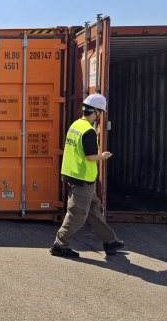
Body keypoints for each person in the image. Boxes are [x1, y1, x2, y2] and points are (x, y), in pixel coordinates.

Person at [50, 94, 124, 258]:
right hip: (82, 179)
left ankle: (110, 242)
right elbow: (90, 157)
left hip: (78, 176)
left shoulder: (76, 125)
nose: (100, 116)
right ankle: (60, 245)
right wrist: (103, 156)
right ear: (96, 112)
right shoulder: (89, 131)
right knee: (77, 214)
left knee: (95, 211)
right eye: (101, 112)